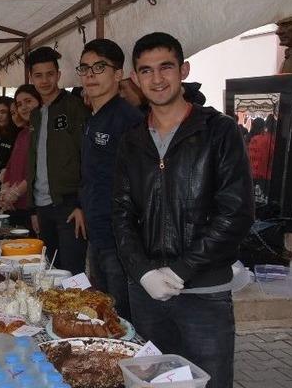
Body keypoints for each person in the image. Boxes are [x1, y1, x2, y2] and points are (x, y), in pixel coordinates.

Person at [113, 33, 254, 388]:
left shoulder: (218, 131)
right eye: (146, 70)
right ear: (135, 78)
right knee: (153, 382)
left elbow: (235, 212)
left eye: (166, 67)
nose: (157, 79)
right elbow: (121, 213)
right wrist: (143, 272)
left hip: (203, 293)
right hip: (146, 293)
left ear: (183, 70)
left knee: (210, 381)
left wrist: (181, 270)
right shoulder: (132, 139)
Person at [76, 39, 144, 321]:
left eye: (99, 67)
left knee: (121, 316)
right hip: (97, 233)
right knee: (102, 310)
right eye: (85, 68)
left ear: (118, 74)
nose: (90, 75)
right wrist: (80, 205)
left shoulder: (129, 120)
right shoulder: (93, 118)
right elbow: (92, 174)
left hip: (120, 239)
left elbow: (140, 183)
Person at [26, 46, 89, 276]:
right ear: (31, 78)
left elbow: (87, 157)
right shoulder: (36, 114)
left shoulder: (74, 107)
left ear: (59, 75)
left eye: (50, 74)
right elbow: (33, 161)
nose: (45, 81)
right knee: (50, 271)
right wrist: (33, 209)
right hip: (42, 206)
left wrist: (81, 204)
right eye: (39, 75)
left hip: (69, 205)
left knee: (72, 272)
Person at [0, 85, 41, 229]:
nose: (23, 108)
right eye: (20, 104)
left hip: (33, 205)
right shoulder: (23, 134)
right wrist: (5, 189)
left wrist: (16, 192)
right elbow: (10, 166)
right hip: (16, 205)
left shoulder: (42, 133)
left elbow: (38, 171)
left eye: (28, 101)